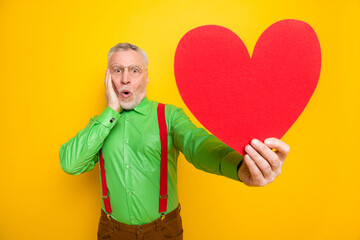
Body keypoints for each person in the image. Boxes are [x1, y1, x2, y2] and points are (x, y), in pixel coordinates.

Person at [59, 43, 290, 240]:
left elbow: (197, 144)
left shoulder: (169, 116)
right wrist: (110, 110)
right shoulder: (100, 125)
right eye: (117, 70)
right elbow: (70, 164)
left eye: (134, 70)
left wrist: (239, 167)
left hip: (163, 230)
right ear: (108, 79)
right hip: (111, 230)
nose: (125, 79)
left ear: (146, 77)